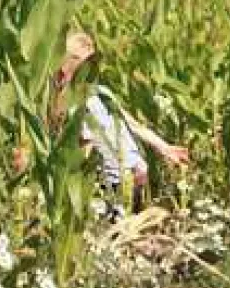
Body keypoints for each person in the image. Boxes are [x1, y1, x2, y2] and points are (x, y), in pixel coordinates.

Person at [58, 32, 190, 196]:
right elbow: (80, 148)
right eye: (81, 62)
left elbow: (132, 124)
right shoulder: (64, 103)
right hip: (111, 185)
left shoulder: (101, 93)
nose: (89, 69)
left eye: (92, 62)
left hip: (137, 177)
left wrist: (164, 147)